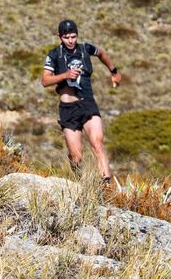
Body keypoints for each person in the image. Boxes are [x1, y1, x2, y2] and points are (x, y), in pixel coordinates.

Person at [41, 19, 122, 186]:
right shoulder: (54, 55)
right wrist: (65, 75)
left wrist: (113, 71)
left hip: (87, 103)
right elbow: (45, 80)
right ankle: (81, 184)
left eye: (73, 36)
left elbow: (101, 54)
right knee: (76, 157)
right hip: (68, 109)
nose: (70, 41)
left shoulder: (86, 49)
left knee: (97, 142)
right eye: (66, 38)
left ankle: (106, 185)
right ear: (59, 37)